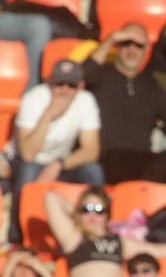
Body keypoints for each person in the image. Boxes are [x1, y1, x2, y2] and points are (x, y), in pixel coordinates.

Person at [82, 23, 166, 199]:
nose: (132, 49)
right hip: (108, 160)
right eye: (126, 43)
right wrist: (111, 38)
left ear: (146, 50)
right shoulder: (101, 75)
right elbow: (81, 75)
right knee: (161, 165)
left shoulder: (151, 86)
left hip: (143, 161)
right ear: (118, 45)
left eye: (139, 45)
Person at [10, 59, 103, 214]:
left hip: (60, 163)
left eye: (71, 85)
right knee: (28, 172)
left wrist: (59, 164)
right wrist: (48, 115)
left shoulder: (86, 100)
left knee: (93, 170)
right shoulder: (32, 99)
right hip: (27, 161)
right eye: (59, 84)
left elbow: (91, 151)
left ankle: (97, 221)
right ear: (50, 82)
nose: (64, 90)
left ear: (81, 85)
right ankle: (18, 227)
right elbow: (28, 154)